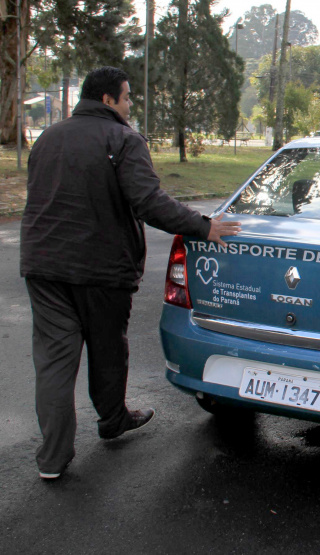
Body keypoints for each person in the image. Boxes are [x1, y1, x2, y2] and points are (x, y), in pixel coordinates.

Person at [20, 66, 241, 480]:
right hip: (101, 268)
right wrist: (203, 226)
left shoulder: (48, 136)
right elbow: (148, 201)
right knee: (107, 349)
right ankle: (112, 419)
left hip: (43, 265)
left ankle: (52, 459)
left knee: (53, 363)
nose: (129, 106)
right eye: (126, 98)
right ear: (108, 100)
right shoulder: (122, 139)